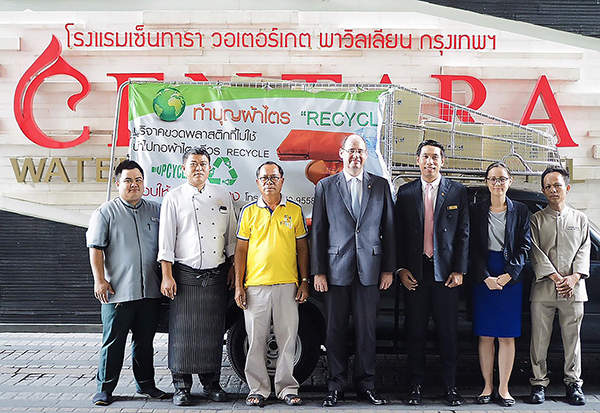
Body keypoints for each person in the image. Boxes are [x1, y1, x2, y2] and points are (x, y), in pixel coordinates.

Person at [311, 134, 395, 407]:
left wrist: (388, 269)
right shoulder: (325, 186)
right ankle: (336, 385)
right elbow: (319, 231)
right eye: (351, 151)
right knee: (334, 331)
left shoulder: (380, 185)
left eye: (360, 151)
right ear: (342, 153)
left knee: (366, 331)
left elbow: (389, 230)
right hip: (335, 270)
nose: (356, 156)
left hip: (370, 270)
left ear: (366, 155)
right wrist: (318, 271)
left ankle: (365, 385)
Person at [158, 147, 236, 406]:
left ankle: (211, 384)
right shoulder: (173, 197)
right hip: (184, 276)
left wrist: (233, 267)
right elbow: (166, 241)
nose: (198, 168)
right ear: (184, 168)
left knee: (212, 332)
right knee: (182, 333)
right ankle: (181, 387)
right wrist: (167, 275)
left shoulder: (222, 194)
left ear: (210, 168)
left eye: (203, 163)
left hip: (217, 276)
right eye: (193, 164)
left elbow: (232, 238)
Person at [394, 139, 469, 406]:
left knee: (448, 333)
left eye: (435, 157)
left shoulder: (457, 191)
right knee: (414, 332)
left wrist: (459, 269)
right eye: (425, 157)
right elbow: (398, 233)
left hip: (446, 274)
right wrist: (400, 268)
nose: (430, 162)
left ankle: (450, 386)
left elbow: (464, 232)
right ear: (417, 161)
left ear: (442, 161)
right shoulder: (405, 192)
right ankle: (415, 386)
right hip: (415, 273)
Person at [86, 159, 167, 406]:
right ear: (118, 183)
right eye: (128, 180)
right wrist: (99, 280)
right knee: (113, 343)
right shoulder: (105, 212)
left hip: (150, 291)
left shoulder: (156, 210)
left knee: (145, 342)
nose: (134, 185)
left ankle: (146, 385)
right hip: (118, 292)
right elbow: (95, 248)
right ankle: (104, 389)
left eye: (138, 180)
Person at [234, 161, 310, 407]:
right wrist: (239, 286)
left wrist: (304, 281)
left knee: (288, 339)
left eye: (274, 178)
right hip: (255, 287)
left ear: (282, 181)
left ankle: (287, 388)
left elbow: (302, 248)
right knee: (256, 340)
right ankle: (258, 389)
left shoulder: (295, 211)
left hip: (287, 286)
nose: (269, 182)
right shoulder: (248, 212)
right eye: (264, 178)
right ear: (257, 182)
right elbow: (241, 250)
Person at [469, 162, 531, 407]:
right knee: (485, 335)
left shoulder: (521, 210)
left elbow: (524, 246)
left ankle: (504, 388)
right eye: (493, 179)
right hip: (483, 275)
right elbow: (470, 246)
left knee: (506, 336)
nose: (498, 183)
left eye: (502, 179)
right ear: (487, 182)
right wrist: (484, 276)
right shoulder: (476, 210)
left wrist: (509, 274)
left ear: (510, 181)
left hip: (510, 277)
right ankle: (487, 386)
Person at [527, 166, 590, 406]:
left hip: (574, 290)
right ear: (543, 191)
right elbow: (535, 252)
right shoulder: (536, 219)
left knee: (573, 340)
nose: (553, 190)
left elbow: (584, 249)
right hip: (543, 289)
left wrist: (574, 278)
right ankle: (538, 383)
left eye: (557, 185)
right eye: (548, 186)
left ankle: (574, 384)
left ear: (567, 188)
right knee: (539, 339)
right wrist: (555, 277)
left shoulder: (580, 219)